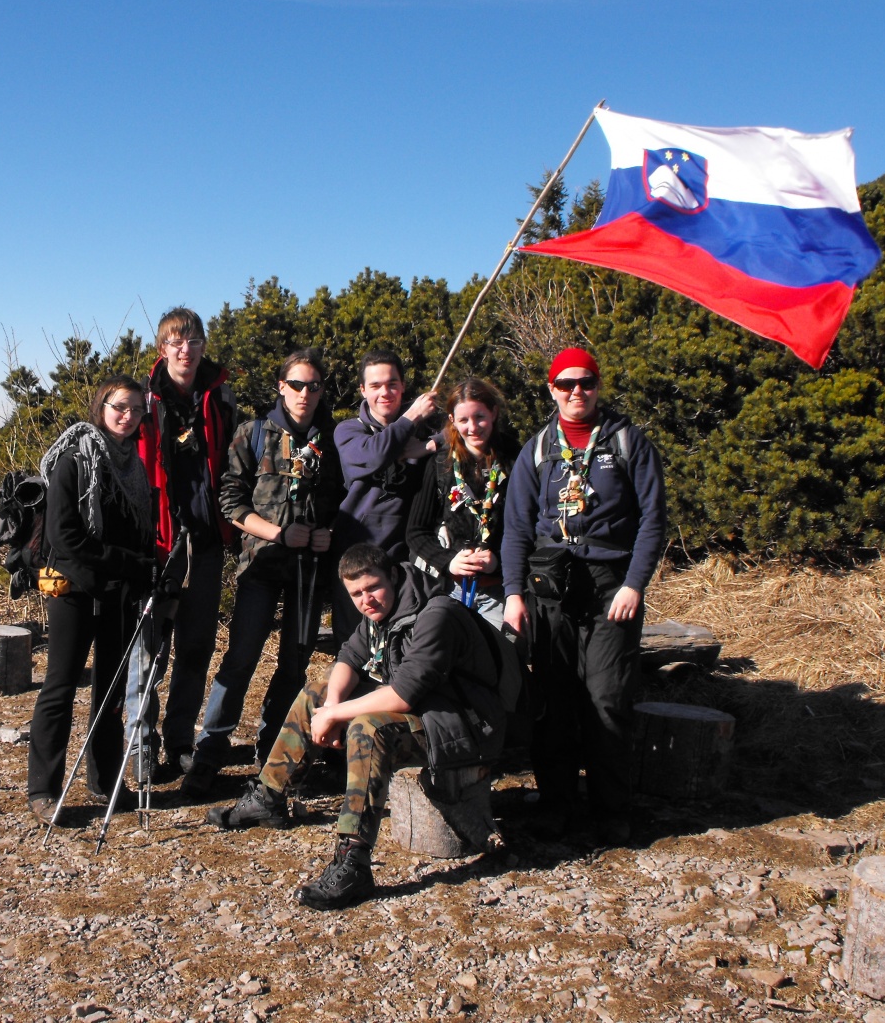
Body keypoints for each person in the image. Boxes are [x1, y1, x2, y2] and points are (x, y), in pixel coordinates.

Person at [205, 543, 507, 910]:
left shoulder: (435, 613)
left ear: (393, 575)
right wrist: (330, 706)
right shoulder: (384, 608)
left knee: (369, 728)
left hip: (463, 725)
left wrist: (337, 715)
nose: (366, 600)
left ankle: (353, 862)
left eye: (372, 588)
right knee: (319, 691)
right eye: (356, 594)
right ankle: (269, 797)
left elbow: (403, 695)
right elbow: (350, 656)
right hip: (428, 712)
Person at [501, 347, 666, 845]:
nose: (578, 392)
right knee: (554, 701)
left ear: (598, 386)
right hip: (550, 587)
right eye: (567, 384)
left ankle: (611, 810)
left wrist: (635, 583)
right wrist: (514, 593)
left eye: (587, 383)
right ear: (551, 389)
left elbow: (652, 521)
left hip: (609, 586)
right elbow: (515, 528)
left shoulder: (628, 442)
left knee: (607, 698)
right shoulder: (537, 449)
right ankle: (556, 803)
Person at [181, 348, 343, 796]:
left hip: (310, 570)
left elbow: (342, 499)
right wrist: (277, 534)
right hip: (260, 566)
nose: (304, 394)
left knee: (294, 664)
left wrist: (328, 531)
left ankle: (272, 753)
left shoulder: (334, 440)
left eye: (313, 386)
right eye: (296, 384)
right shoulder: (253, 434)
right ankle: (210, 749)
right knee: (241, 658)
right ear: (280, 387)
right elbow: (230, 501)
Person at [26, 375, 156, 822]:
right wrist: (128, 563)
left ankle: (103, 781)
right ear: (101, 406)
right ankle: (43, 790)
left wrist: (144, 567)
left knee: (110, 690)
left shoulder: (132, 465)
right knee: (60, 685)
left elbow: (136, 531)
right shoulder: (73, 457)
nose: (127, 416)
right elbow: (65, 536)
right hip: (74, 589)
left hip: (117, 592)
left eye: (137, 409)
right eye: (120, 407)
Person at [126, 307, 238, 777]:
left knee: (196, 648)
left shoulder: (220, 399)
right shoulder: (143, 401)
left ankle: (179, 741)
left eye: (192, 341)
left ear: (203, 346)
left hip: (206, 543)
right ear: (161, 349)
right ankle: (140, 745)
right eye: (175, 342)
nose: (184, 350)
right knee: (149, 648)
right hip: (158, 544)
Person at [331, 350, 438, 641]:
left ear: (403, 386)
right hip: (356, 558)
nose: (385, 392)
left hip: (405, 561)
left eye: (392, 384)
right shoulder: (349, 430)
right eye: (375, 386)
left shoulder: (423, 432)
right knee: (355, 644)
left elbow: (464, 433)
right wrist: (411, 417)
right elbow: (373, 454)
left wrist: (428, 446)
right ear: (363, 390)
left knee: (405, 643)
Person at [406, 377, 521, 627]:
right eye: (463, 420)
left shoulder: (515, 459)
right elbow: (416, 532)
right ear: (452, 421)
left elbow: (526, 528)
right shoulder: (439, 465)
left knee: (502, 660)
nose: (473, 427)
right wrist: (449, 561)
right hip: (449, 589)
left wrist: (498, 561)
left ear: (494, 413)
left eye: (480, 417)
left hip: (500, 592)